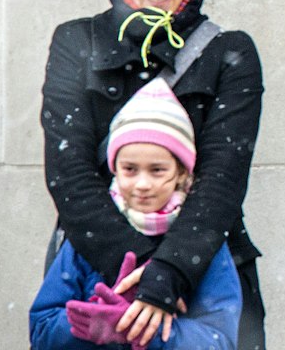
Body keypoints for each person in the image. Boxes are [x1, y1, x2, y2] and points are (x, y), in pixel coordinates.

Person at [41, 0, 267, 347]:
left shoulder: (229, 53)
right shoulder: (75, 41)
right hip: (94, 267)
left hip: (205, 275)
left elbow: (223, 178)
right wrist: (141, 272)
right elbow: (68, 173)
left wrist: (174, 272)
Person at [30, 76, 242, 349]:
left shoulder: (202, 244)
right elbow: (42, 327)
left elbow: (220, 339)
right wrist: (88, 324)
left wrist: (141, 331)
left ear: (180, 173)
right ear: (114, 168)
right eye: (130, 169)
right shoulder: (86, 238)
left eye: (157, 170)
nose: (143, 184)